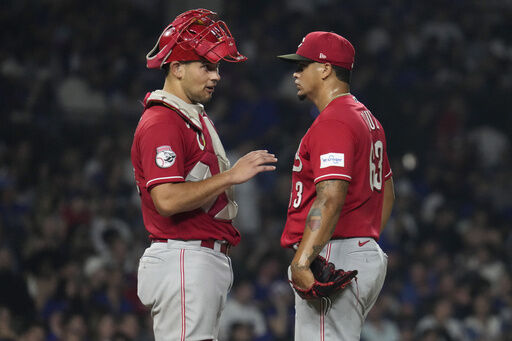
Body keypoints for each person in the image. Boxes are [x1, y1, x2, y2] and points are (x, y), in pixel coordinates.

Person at [131, 9, 277, 340]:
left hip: (198, 258)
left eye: (217, 67)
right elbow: (166, 199)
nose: (216, 76)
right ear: (177, 68)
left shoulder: (190, 115)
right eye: (207, 66)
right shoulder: (163, 122)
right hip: (184, 256)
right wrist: (230, 176)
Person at [277, 31, 395, 340]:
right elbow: (388, 192)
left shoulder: (335, 121)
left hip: (336, 253)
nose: (296, 72)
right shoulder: (367, 118)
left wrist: (304, 260)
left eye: (303, 65)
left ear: (326, 68)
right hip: (357, 250)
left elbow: (330, 197)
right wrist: (364, 240)